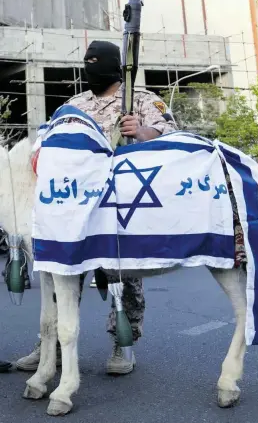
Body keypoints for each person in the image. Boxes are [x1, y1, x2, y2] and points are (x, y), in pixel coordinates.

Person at [16, 40, 177, 375]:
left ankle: (124, 342)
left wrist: (144, 130)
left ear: (114, 66)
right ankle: (52, 346)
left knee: (124, 278)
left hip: (121, 202)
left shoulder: (143, 99)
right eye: (86, 62)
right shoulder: (74, 103)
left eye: (96, 62)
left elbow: (174, 134)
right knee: (64, 276)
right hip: (74, 206)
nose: (90, 68)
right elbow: (50, 139)